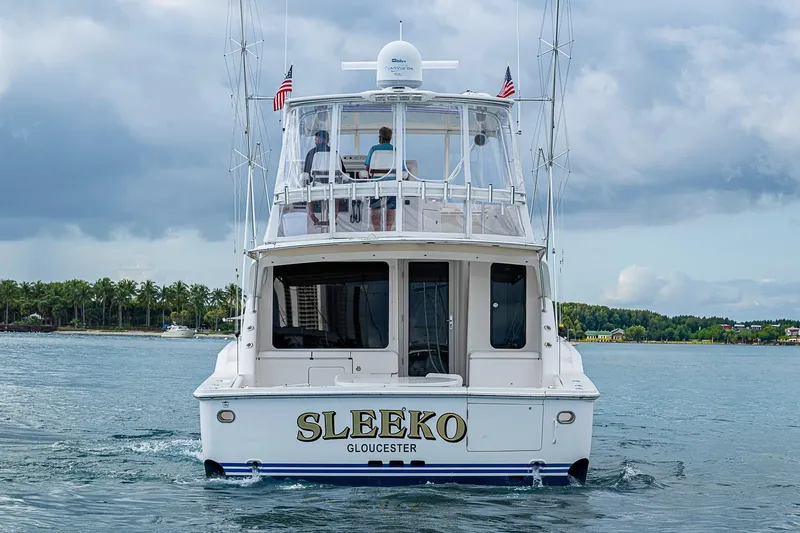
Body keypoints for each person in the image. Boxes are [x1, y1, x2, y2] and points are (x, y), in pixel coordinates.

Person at [303, 130, 345, 226]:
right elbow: (343, 171)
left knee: (308, 188)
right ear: (327, 140)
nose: (315, 140)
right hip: (333, 186)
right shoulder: (334, 153)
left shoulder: (312, 153)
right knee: (336, 191)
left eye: (316, 138)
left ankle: (311, 213)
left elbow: (307, 171)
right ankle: (334, 214)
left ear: (321, 139)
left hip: (316, 186)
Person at [365, 126, 396, 231]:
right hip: (392, 185)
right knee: (391, 208)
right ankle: (388, 230)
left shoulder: (374, 149)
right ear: (390, 138)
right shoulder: (395, 151)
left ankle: (377, 231)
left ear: (380, 138)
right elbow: (401, 169)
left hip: (376, 184)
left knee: (375, 207)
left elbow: (367, 167)